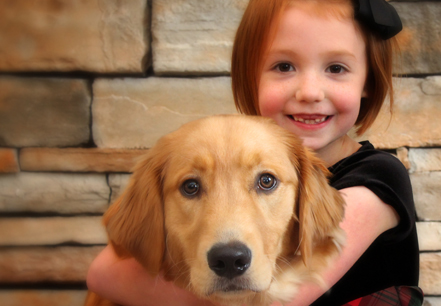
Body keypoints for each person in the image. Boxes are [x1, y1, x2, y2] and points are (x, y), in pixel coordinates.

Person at [86, 0, 419, 305]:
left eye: (336, 68)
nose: (309, 92)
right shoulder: (217, 148)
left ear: (369, 81)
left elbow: (279, 300)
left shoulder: (379, 179)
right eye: (284, 66)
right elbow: (103, 272)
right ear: (251, 74)